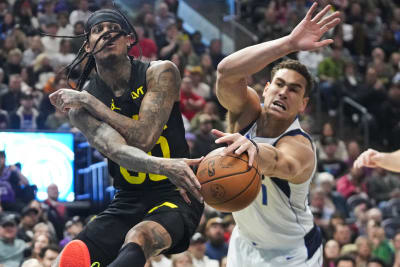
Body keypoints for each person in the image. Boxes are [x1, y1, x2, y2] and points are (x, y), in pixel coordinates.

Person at [48, 8, 204, 267]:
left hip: (176, 191)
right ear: (87, 46)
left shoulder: (161, 72)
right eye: (98, 30)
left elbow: (144, 137)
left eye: (113, 29)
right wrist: (164, 165)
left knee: (140, 236)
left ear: (130, 39)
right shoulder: (78, 108)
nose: (107, 34)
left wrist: (90, 101)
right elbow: (118, 151)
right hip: (128, 198)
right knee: (66, 260)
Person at [212, 3, 340, 266]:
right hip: (244, 242)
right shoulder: (246, 112)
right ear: (266, 89)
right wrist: (289, 43)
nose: (283, 92)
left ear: (303, 105)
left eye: (294, 90)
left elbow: (280, 162)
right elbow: (226, 72)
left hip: (291, 254)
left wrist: (253, 150)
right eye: (279, 85)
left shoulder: (300, 145)